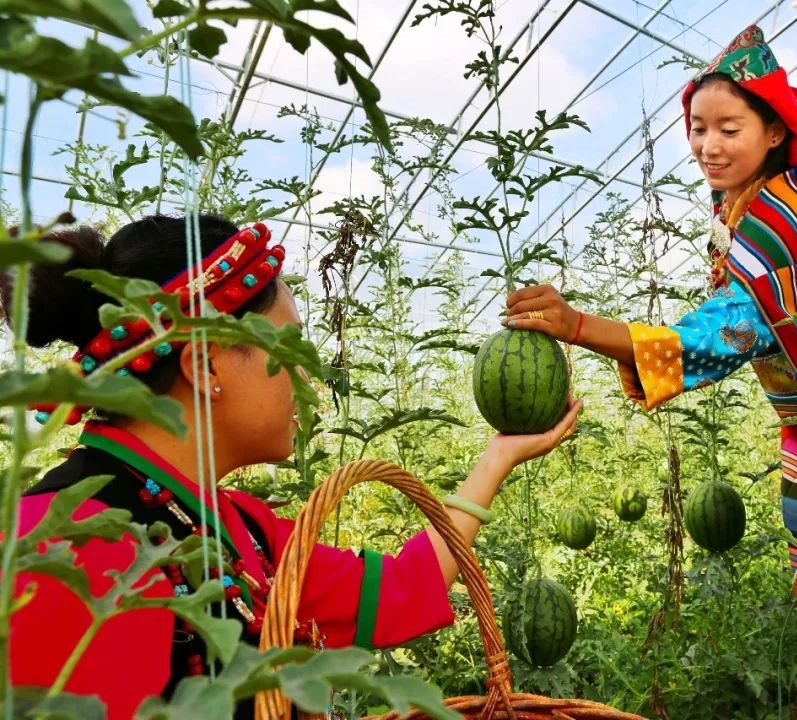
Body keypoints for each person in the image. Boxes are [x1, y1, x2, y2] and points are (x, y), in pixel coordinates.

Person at [503, 25, 797, 720]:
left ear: (772, 131)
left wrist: (582, 328)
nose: (708, 145)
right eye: (698, 129)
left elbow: (722, 335)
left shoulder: (792, 219)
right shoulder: (750, 208)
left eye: (729, 127)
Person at [3, 214, 582, 719]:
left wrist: (499, 453)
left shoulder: (241, 530)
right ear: (205, 365)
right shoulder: (50, 551)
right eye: (292, 350)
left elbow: (402, 589)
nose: (308, 378)